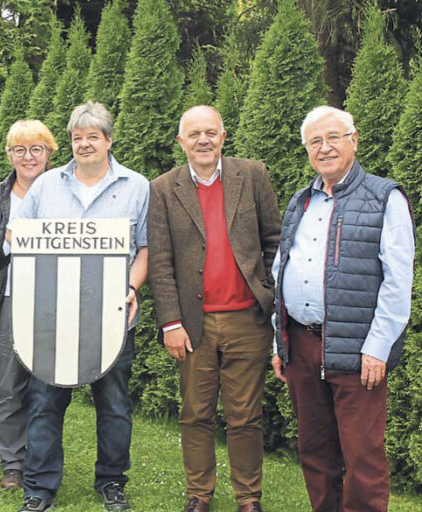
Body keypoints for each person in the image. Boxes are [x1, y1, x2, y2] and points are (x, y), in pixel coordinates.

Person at [272, 106, 414, 512]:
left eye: (333, 137)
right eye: (315, 141)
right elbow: (281, 272)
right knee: (315, 450)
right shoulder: (300, 201)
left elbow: (397, 281)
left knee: (362, 455)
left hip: (357, 349)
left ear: (354, 140)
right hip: (302, 345)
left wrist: (378, 348)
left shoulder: (385, 198)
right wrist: (279, 341)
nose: (325, 148)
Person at [12, 101, 149, 512]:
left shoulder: (137, 186)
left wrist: (131, 286)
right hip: (52, 319)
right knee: (44, 404)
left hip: (112, 318)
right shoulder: (46, 185)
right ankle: (39, 487)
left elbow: (146, 249)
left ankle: (112, 482)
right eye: (77, 138)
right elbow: (17, 238)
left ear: (109, 140)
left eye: (93, 137)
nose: (84, 144)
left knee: (115, 406)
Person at [148, 105, 281, 512]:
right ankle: (199, 495)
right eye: (194, 134)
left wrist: (269, 294)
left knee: (246, 417)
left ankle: (248, 498)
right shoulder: (163, 188)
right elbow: (160, 262)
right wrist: (170, 322)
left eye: (210, 132)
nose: (203, 140)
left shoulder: (252, 175)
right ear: (181, 142)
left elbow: (274, 240)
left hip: (248, 320)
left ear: (223, 137)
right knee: (195, 414)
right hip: (193, 324)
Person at [0, 120, 58, 491]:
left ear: (49, 153)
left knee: (47, 389)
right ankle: (13, 465)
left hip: (53, 303)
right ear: (9, 155)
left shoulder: (64, 192)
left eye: (36, 149)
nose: (28, 157)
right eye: (19, 149)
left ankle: (41, 461)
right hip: (5, 301)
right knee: (10, 388)